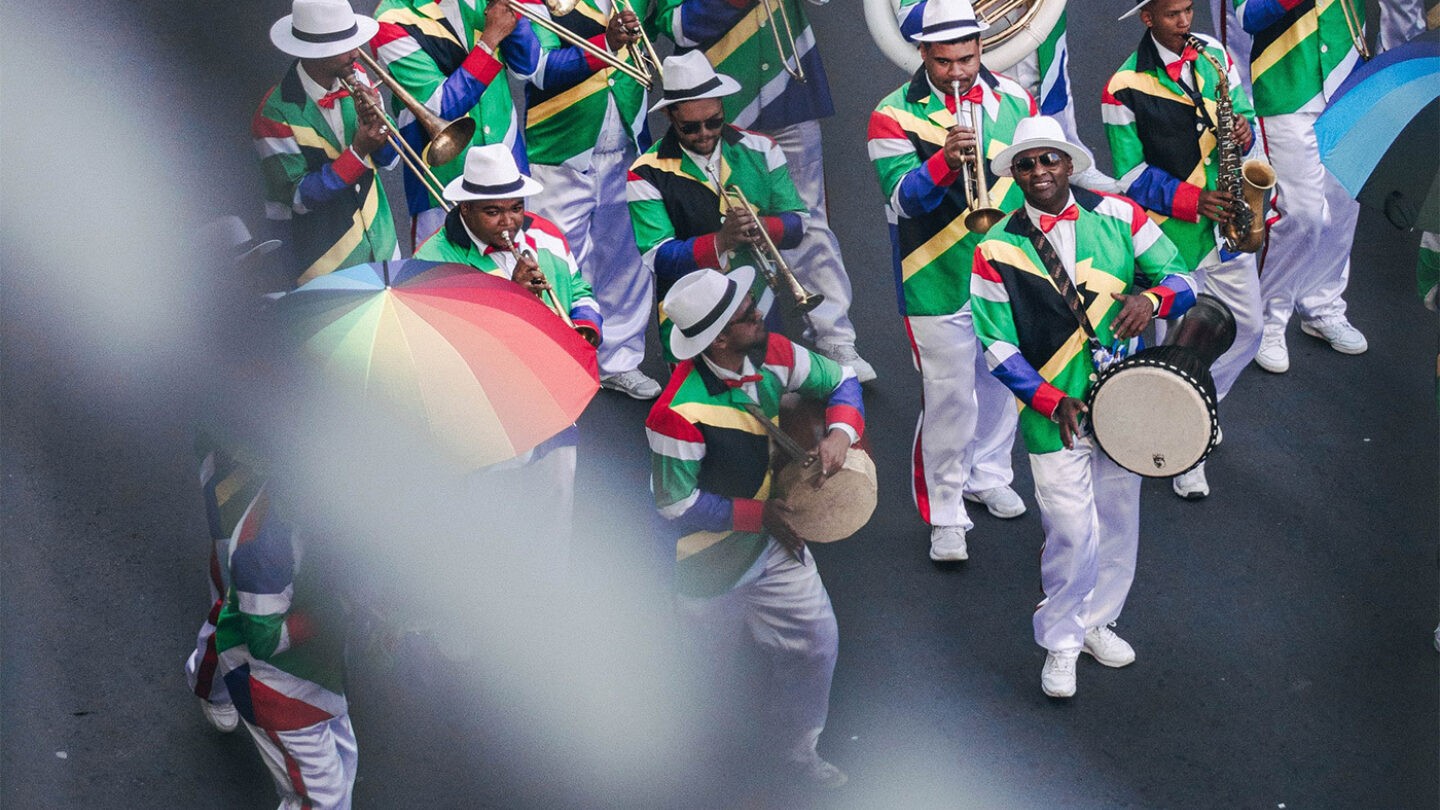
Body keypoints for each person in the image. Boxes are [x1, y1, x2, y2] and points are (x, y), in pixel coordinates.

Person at [971, 115, 1197, 698]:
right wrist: (1049, 401)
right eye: (1027, 164)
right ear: (1015, 175)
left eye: (1050, 160)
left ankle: (1099, 620)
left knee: (1119, 517)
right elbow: (995, 345)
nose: (1040, 171)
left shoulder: (1122, 216)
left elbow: (1184, 278)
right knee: (1071, 528)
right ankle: (1061, 641)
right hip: (1056, 415)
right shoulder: (996, 246)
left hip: (1127, 398)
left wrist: (1151, 297)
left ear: (1070, 164)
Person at [645, 266, 864, 788]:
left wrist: (839, 433)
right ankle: (702, 772)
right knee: (704, 676)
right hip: (708, 560)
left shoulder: (775, 354)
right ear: (720, 337)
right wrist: (757, 515)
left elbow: (843, 380)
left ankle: (798, 752)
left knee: (817, 643)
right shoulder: (674, 413)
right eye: (747, 314)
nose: (760, 311)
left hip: (774, 545)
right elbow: (675, 505)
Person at [867, 0, 1030, 562]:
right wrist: (940, 162)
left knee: (1003, 379)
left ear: (981, 48)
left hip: (1006, 271)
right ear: (923, 55)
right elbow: (900, 200)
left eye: (967, 57)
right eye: (944, 63)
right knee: (949, 397)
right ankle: (945, 513)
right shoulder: (891, 114)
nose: (958, 72)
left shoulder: (1015, 99)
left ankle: (988, 473)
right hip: (933, 277)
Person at [656, 0, 876, 380]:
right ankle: (727, 343)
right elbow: (678, 26)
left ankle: (835, 337)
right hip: (718, 104)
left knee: (810, 219)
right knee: (718, 221)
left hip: (790, 90)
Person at [415, 144, 601, 573]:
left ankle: (549, 586)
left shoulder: (547, 235)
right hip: (483, 405)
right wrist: (511, 292)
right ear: (465, 208)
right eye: (494, 213)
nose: (510, 223)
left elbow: (580, 292)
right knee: (491, 509)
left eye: (516, 209)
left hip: (549, 391)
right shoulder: (432, 259)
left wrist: (585, 333)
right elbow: (446, 345)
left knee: (557, 495)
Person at [1105, 0, 1264, 499]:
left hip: (1229, 228)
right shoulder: (1121, 87)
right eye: (1172, 13)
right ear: (1147, 18)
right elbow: (1130, 177)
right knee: (1174, 343)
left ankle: (1195, 409)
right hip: (1171, 240)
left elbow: (1245, 115)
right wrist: (1195, 201)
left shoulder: (1213, 54)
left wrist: (1244, 128)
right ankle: (1179, 447)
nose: (1184, 21)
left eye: (1189, 9)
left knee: (1251, 330)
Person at [516, 0, 663, 399]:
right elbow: (538, 68)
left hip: (627, 146)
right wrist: (606, 42)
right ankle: (558, 364)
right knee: (557, 262)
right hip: (559, 150)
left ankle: (620, 361)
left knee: (626, 260)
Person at [626, 52, 808, 364]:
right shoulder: (644, 172)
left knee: (769, 403)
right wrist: (721, 241)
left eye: (714, 122)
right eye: (691, 127)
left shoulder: (763, 149)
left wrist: (766, 227)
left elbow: (799, 223)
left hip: (759, 307)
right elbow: (660, 257)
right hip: (692, 318)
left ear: (722, 107)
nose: (705, 134)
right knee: (702, 410)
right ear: (670, 116)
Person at [1233, 0, 1369, 372]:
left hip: (1347, 80)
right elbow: (1248, 16)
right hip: (1286, 87)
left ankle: (1322, 305)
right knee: (1303, 213)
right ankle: (1267, 320)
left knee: (1344, 205)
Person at [213, 486, 357, 810]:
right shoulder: (267, 545)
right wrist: (338, 611)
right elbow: (264, 642)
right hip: (272, 684)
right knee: (322, 798)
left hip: (317, 676)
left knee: (343, 766)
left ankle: (208, 686)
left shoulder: (308, 513)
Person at [895, 0, 1121, 193]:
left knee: (1048, 86)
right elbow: (908, 21)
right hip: (977, 56)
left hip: (1033, 34)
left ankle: (1065, 153)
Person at [255, 0, 400, 288]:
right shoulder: (273, 112)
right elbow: (296, 199)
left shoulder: (358, 77)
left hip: (385, 249)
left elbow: (391, 160)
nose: (356, 53)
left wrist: (381, 130)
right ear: (316, 54)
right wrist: (357, 152)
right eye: (345, 46)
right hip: (325, 267)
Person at [371, 0, 540, 246]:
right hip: (442, 182)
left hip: (509, 166)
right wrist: (490, 39)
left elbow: (528, 66)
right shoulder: (390, 18)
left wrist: (514, 15)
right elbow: (441, 106)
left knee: (514, 277)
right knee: (447, 279)